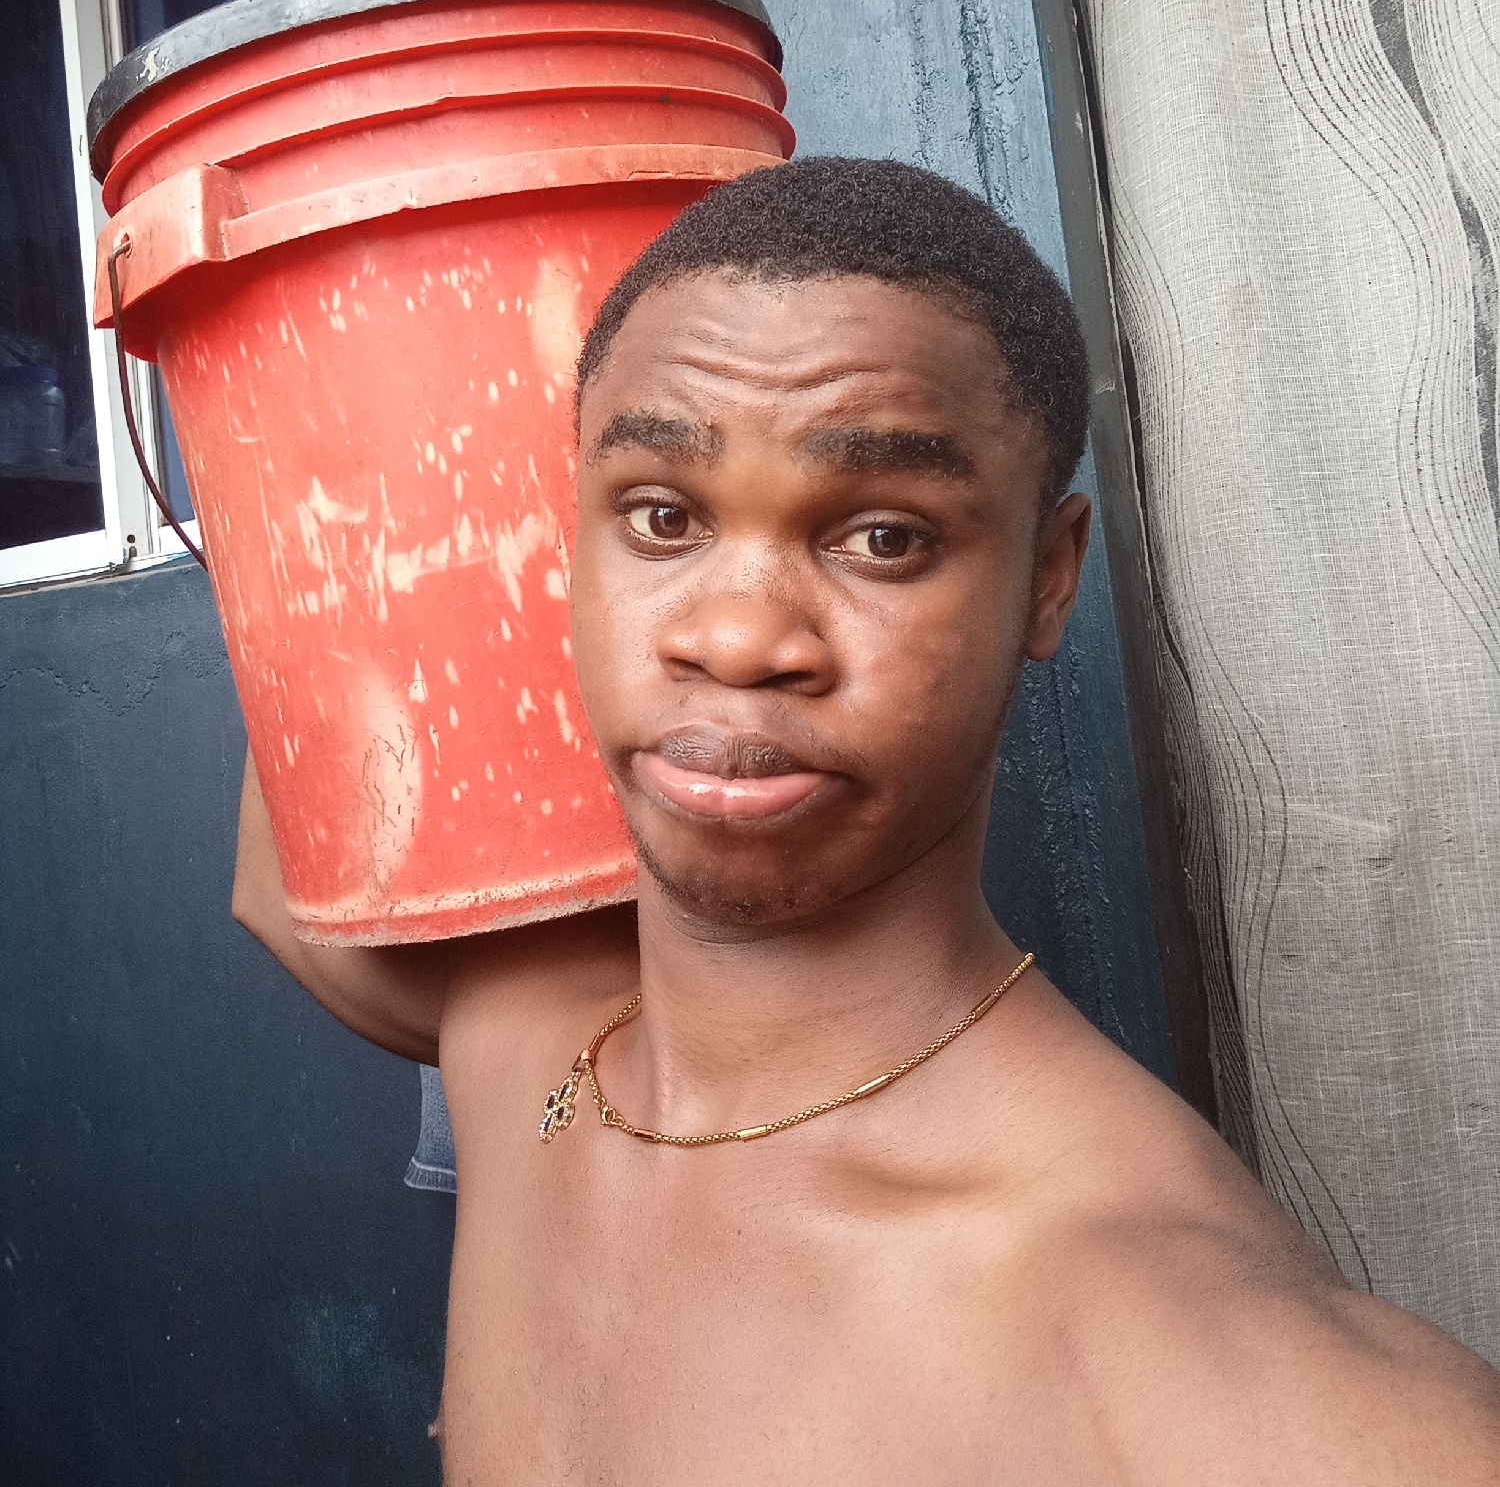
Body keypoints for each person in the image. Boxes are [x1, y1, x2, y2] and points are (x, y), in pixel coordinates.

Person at [232, 157, 1500, 1483]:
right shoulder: (529, 1054)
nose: (735, 638)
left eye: (884, 537)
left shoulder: (1169, 1343)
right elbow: (281, 875)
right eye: (661, 517)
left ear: (1049, 579)